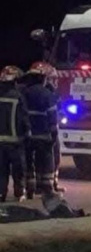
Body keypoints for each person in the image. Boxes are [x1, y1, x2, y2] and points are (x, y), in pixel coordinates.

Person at [20, 61, 60, 204]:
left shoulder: (23, 93)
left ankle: (30, 188)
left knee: (29, 162)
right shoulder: (47, 94)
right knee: (46, 160)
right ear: (44, 79)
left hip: (28, 135)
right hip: (44, 135)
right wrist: (54, 134)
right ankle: (47, 187)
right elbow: (52, 116)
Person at [0, 66, 31, 202]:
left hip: (0, 143)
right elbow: (24, 118)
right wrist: (27, 133)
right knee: (18, 169)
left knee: (2, 170)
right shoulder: (18, 97)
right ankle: (19, 193)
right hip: (15, 142)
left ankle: (1, 193)